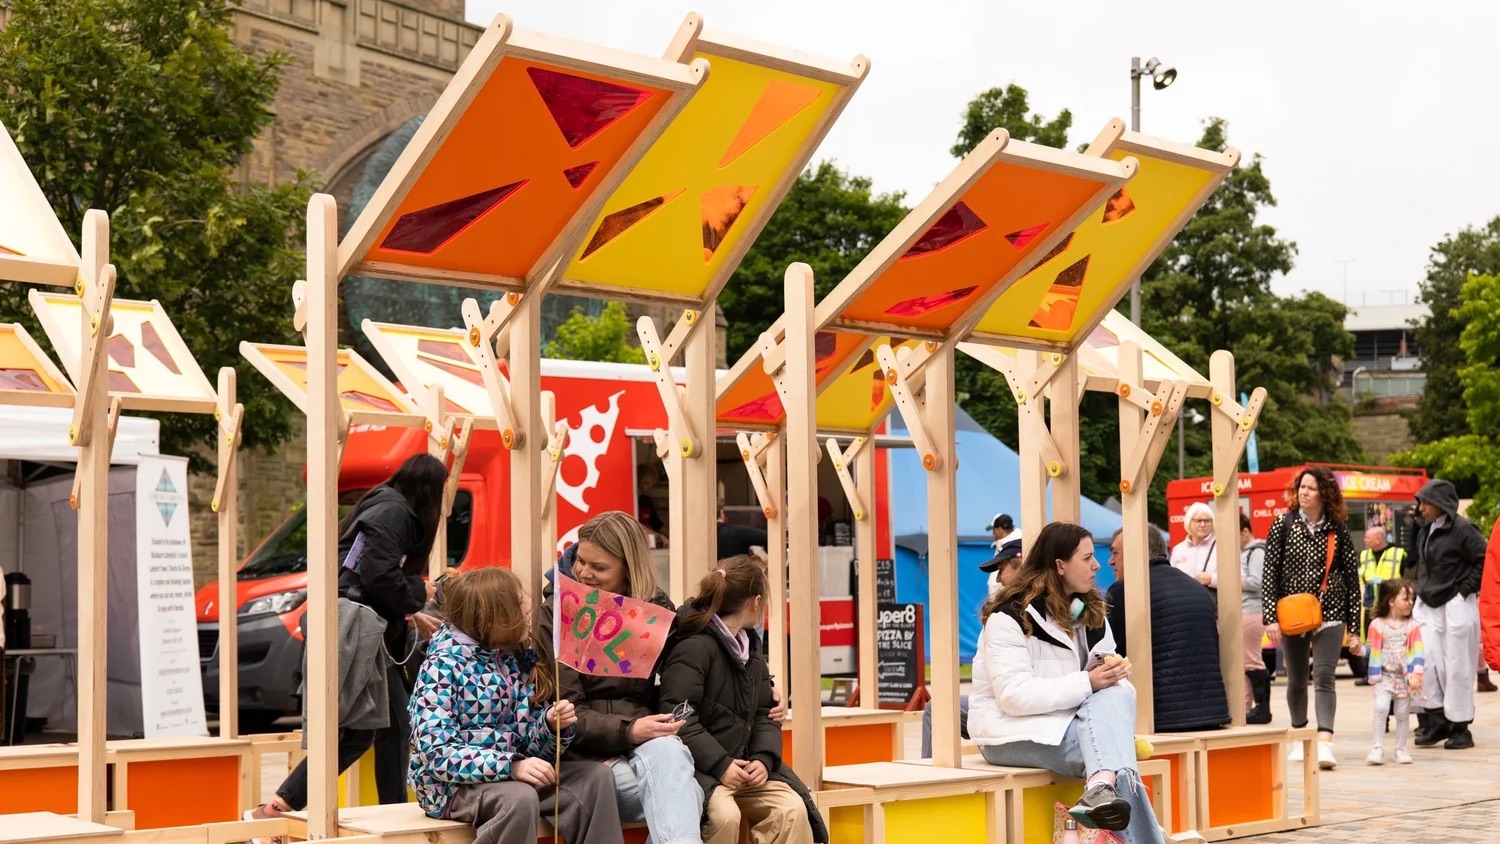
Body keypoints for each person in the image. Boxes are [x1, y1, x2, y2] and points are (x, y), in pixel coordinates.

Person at [247, 453, 444, 821]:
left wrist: (409, 611)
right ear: (431, 488)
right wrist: (420, 590)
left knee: (372, 729)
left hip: (357, 625)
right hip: (360, 630)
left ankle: (277, 807)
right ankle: (393, 813)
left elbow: (364, 573)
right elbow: (378, 575)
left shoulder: (382, 504)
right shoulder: (394, 512)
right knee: (385, 726)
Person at [968, 522, 1163, 843]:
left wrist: (1109, 680)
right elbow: (1012, 697)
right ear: (1059, 565)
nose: (1098, 565)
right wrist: (1089, 682)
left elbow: (1113, 691)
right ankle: (1102, 784)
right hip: (1009, 734)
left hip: (1070, 724)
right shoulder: (1009, 618)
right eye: (1087, 558)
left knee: (1115, 711)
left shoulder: (1090, 614)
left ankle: (1100, 786)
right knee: (1117, 755)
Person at [407, 568, 619, 844]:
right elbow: (437, 754)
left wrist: (549, 725)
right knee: (518, 798)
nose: (528, 608)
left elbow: (528, 745)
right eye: (518, 603)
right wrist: (510, 766)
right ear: (494, 617)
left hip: (509, 776)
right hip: (451, 788)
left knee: (596, 778)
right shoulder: (441, 666)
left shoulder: (512, 660)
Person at [536, 511, 705, 844]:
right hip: (584, 755)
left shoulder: (655, 609)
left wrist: (764, 696)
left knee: (671, 760)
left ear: (629, 568)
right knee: (684, 794)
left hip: (648, 740)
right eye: (580, 561)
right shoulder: (556, 613)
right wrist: (630, 731)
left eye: (599, 568)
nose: (584, 573)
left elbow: (687, 673)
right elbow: (566, 708)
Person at [658, 557, 825, 844]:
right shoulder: (693, 647)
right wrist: (722, 764)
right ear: (755, 601)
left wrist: (763, 759)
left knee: (792, 809)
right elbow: (677, 716)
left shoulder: (752, 649)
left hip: (747, 766)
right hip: (701, 770)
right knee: (725, 816)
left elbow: (765, 714)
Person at [1262, 465, 1359, 771]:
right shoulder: (1283, 524)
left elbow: (1352, 580)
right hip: (1292, 615)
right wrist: (1270, 617)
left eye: (1310, 488)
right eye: (1301, 487)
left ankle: (1325, 741)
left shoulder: (1337, 529)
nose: (1303, 492)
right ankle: (1301, 735)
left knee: (1325, 676)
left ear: (1324, 494)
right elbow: (1269, 573)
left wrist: (1354, 629)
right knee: (1297, 678)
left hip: (1330, 613)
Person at [1105, 525, 1230, 733]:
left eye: (1115, 553)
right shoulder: (1196, 588)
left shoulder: (1126, 590)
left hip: (1160, 718)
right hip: (1213, 713)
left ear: (1137, 551)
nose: (1110, 561)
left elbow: (1109, 656)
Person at [919, 537, 1023, 758]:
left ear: (1021, 567)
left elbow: (1010, 691)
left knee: (938, 709)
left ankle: (928, 782)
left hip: (1009, 718)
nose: (997, 578)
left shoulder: (1009, 615)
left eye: (1001, 569)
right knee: (940, 707)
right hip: (1010, 712)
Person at [1409, 478, 1486, 750]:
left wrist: (1463, 591)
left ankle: (1461, 729)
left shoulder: (1463, 530)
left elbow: (1484, 560)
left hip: (1455, 605)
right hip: (1428, 604)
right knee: (1426, 665)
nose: (1421, 508)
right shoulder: (1424, 530)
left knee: (1457, 668)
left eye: (1426, 503)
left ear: (1442, 504)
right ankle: (1437, 721)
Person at [1362, 579, 1424, 766]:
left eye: (1412, 598)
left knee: (1402, 712)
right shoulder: (1377, 625)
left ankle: (1401, 748)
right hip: (1384, 676)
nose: (1410, 602)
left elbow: (1419, 652)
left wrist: (1417, 675)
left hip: (1404, 678)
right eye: (1406, 598)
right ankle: (1378, 746)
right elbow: (1371, 649)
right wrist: (1358, 650)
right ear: (1391, 601)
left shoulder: (1413, 626)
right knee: (1381, 707)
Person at [1354, 526, 1406, 686]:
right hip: (1371, 603)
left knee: (1393, 638)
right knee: (1370, 638)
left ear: (1378, 539)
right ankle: (1369, 673)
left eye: (1367, 537)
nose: (1364, 540)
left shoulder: (1398, 553)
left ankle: (1395, 671)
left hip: (1391, 603)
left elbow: (1405, 576)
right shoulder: (1364, 555)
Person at [1239, 513, 1271, 724]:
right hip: (1245, 610)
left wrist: (1232, 579)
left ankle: (1262, 708)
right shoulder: (1246, 552)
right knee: (1244, 661)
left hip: (1252, 609)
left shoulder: (1256, 551)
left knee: (1251, 660)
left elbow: (1257, 581)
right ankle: (1248, 706)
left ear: (1245, 531)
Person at [1170, 503, 1218, 595]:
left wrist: (1212, 579)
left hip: (1211, 605)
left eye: (1207, 521)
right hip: (1184, 601)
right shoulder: (1178, 549)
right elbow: (1171, 579)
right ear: (1189, 522)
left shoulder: (1221, 548)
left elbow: (1240, 579)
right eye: (1199, 521)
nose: (1203, 525)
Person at [985, 514, 1022, 596]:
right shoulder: (1017, 542)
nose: (993, 533)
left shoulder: (1014, 547)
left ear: (999, 529)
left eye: (993, 530)